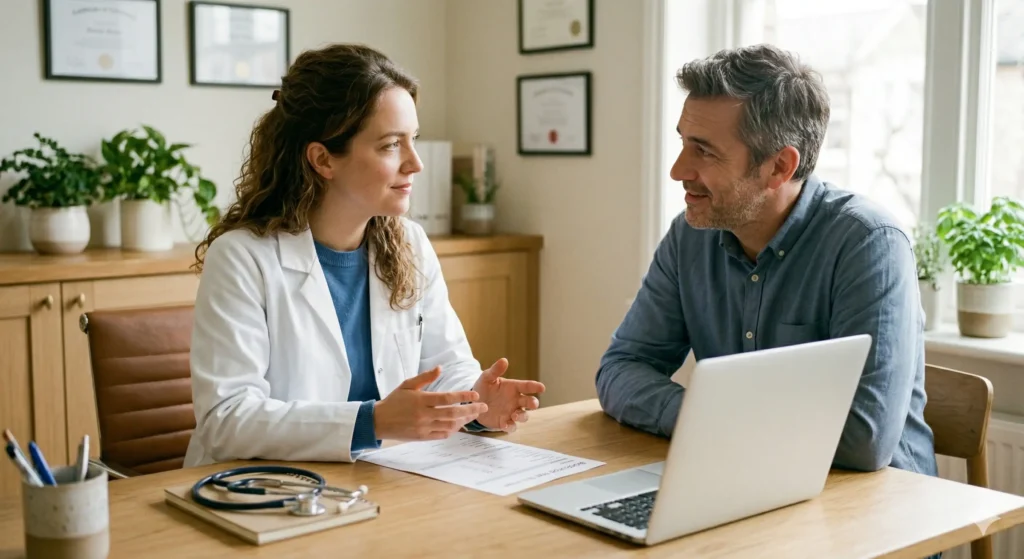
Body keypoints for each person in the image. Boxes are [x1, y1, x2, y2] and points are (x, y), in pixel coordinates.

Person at [183, 43, 545, 468]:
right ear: (323, 159)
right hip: (261, 490)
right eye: (392, 145)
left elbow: (444, 368)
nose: (415, 164)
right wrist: (369, 422)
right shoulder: (243, 258)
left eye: (414, 140)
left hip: (378, 481)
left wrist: (478, 404)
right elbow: (226, 419)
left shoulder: (410, 245)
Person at [595, 44, 938, 476]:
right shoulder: (690, 236)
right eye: (683, 143)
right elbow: (621, 369)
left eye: (703, 151)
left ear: (779, 166)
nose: (678, 170)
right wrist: (710, 421)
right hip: (747, 479)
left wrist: (710, 421)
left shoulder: (869, 244)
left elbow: (862, 441)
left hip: (878, 511)